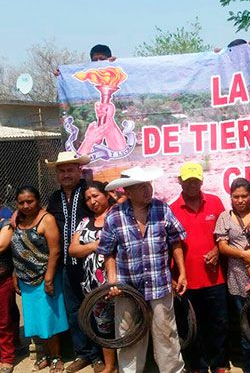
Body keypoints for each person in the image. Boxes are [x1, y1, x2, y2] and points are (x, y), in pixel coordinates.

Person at [99, 166, 187, 373]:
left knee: (166, 334)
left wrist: (181, 272)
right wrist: (112, 281)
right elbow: (107, 252)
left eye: (148, 185)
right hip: (127, 289)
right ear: (128, 192)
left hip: (159, 285)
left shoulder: (162, 209)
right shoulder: (115, 216)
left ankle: (173, 370)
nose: (148, 190)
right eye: (141, 187)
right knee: (129, 335)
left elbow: (176, 242)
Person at [169, 162, 228, 373]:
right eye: (187, 181)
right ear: (180, 182)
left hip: (215, 278)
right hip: (187, 281)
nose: (192, 184)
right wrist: (172, 276)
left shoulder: (215, 203)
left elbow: (226, 235)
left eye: (195, 180)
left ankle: (219, 363)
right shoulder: (172, 209)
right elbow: (168, 245)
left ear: (201, 181)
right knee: (192, 326)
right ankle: (198, 366)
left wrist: (217, 250)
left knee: (219, 322)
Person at [46, 151, 102, 373]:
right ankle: (83, 354)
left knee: (96, 309)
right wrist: (16, 217)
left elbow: (112, 205)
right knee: (74, 310)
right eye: (62, 171)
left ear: (80, 171)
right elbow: (43, 219)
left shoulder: (89, 193)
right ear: (57, 174)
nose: (66, 174)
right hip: (67, 266)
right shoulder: (53, 198)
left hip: (92, 264)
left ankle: (99, 355)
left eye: (70, 170)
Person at [4, 186, 68, 373]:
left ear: (38, 201)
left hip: (45, 278)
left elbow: (55, 250)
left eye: (30, 201)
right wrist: (16, 274)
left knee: (50, 320)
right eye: (21, 202)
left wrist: (48, 279)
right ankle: (46, 355)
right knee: (36, 321)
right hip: (25, 280)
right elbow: (16, 251)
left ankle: (57, 357)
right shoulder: (18, 220)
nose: (25, 205)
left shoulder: (46, 219)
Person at [214, 178, 250, 373]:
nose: (240, 200)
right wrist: (243, 254)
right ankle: (249, 367)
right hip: (239, 280)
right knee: (246, 326)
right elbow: (222, 246)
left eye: (244, 196)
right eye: (236, 196)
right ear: (230, 197)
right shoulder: (225, 217)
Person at [68, 182, 117, 373]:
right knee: (103, 325)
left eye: (96, 195)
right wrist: (93, 246)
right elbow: (73, 250)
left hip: (117, 281)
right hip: (93, 286)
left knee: (125, 324)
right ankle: (110, 366)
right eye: (88, 198)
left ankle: (128, 364)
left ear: (106, 195)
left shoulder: (118, 215)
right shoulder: (84, 222)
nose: (92, 201)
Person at [0, 219, 18, 373]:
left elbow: (2, 245)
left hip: (2, 279)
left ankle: (7, 357)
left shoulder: (5, 223)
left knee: (4, 321)